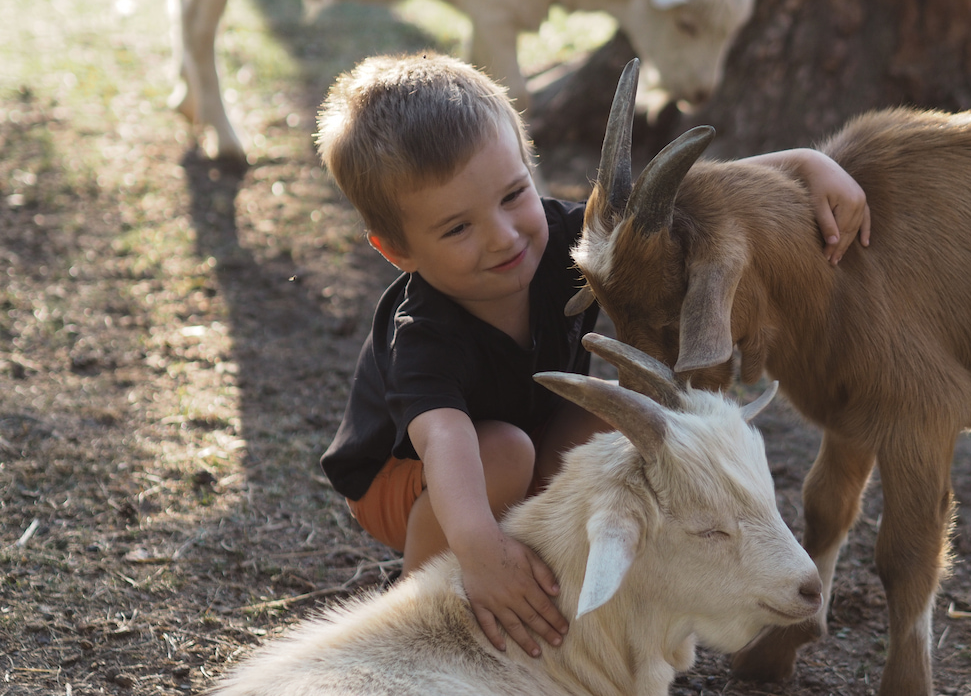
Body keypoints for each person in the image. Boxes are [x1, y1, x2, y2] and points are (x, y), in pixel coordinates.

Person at [314, 51, 870, 661]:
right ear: (396, 250)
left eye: (513, 195)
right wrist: (478, 550)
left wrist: (803, 165)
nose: (503, 235)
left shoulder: (563, 240)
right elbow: (445, 439)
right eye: (457, 228)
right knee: (503, 453)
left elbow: (670, 202)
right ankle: (413, 617)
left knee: (619, 421)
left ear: (528, 164)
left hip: (520, 437)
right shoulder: (424, 331)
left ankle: (541, 577)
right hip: (405, 479)